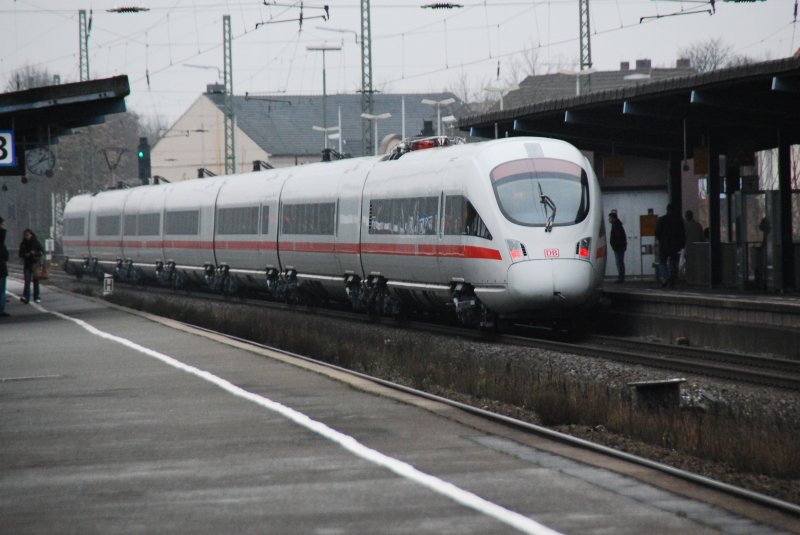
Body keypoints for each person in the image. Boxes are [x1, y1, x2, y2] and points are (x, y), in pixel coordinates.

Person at [654, 204, 686, 289]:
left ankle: (665, 276)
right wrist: (682, 244)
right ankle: (672, 281)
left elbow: (656, 232)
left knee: (662, 262)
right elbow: (683, 234)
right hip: (675, 246)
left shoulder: (662, 219)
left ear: (667, 210)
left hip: (664, 246)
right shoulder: (679, 220)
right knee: (673, 263)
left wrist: (660, 239)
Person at [18, 228, 43, 304]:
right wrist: (26, 254)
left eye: (28, 235)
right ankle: (26, 297)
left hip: (35, 264)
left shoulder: (36, 242)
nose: (27, 237)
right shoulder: (23, 244)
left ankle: (36, 297)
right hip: (27, 264)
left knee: (36, 281)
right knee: (27, 281)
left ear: (31, 235)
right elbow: (20, 254)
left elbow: (42, 251)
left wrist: (34, 253)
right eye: (25, 235)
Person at [608, 210, 627, 283]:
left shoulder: (616, 226)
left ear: (613, 218)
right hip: (619, 247)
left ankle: (621, 278)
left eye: (609, 218)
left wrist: (615, 246)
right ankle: (621, 277)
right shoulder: (617, 225)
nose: (608, 219)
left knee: (619, 262)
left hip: (618, 248)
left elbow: (617, 238)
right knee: (619, 262)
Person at [0, 217, 9, 317]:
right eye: (2, 224)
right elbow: (5, 255)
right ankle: (1, 310)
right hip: (1, 269)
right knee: (2, 291)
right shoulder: (1, 239)